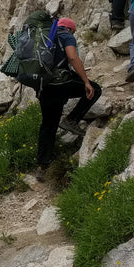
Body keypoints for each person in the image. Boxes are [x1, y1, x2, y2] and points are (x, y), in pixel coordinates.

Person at [35, 17, 103, 169]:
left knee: (48, 125)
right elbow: (72, 57)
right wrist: (86, 81)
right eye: (74, 31)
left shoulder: (42, 37)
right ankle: (72, 119)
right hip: (60, 84)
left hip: (43, 87)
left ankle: (42, 165)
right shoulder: (66, 35)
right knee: (95, 89)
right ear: (70, 29)